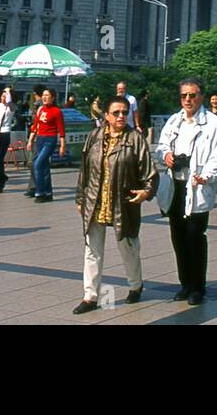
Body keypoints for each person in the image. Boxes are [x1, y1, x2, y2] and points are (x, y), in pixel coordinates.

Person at [73, 96, 157, 314]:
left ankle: (136, 285)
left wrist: (146, 192)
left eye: (124, 112)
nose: (121, 116)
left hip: (124, 202)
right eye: (116, 112)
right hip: (96, 201)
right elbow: (84, 170)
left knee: (128, 247)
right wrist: (80, 197)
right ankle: (90, 296)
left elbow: (149, 171)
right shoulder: (94, 137)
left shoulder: (135, 139)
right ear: (107, 116)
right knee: (92, 250)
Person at [156, 78, 217, 304]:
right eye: (184, 95)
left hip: (197, 185)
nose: (188, 99)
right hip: (176, 184)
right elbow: (161, 146)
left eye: (192, 95)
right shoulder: (174, 121)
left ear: (202, 97)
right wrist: (166, 155)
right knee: (177, 236)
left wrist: (206, 175)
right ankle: (185, 284)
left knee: (195, 236)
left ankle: (198, 286)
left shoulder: (214, 124)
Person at [26, 87, 66, 202]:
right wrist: (30, 140)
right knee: (44, 167)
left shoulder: (57, 111)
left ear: (53, 98)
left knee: (37, 164)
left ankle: (40, 192)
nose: (44, 97)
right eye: (43, 95)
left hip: (50, 140)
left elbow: (61, 130)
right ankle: (48, 193)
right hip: (40, 139)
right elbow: (35, 126)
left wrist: (63, 145)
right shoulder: (41, 110)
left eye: (47, 95)